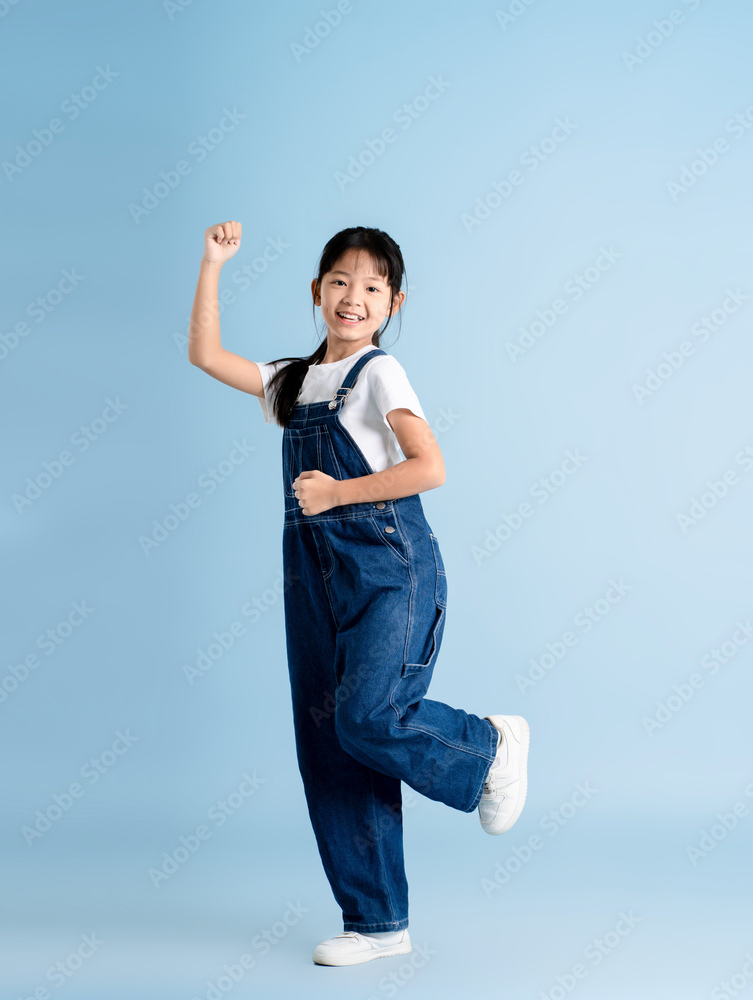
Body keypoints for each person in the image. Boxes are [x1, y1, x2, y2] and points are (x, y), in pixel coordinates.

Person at [188, 220, 530, 967]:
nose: (354, 297)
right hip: (311, 576)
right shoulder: (292, 379)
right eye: (340, 281)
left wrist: (338, 491)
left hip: (388, 569)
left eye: (372, 287)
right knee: (328, 742)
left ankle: (487, 744)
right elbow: (206, 356)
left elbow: (428, 466)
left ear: (392, 303)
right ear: (317, 291)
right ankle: (377, 924)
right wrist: (213, 265)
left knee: (368, 716)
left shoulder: (381, 374)